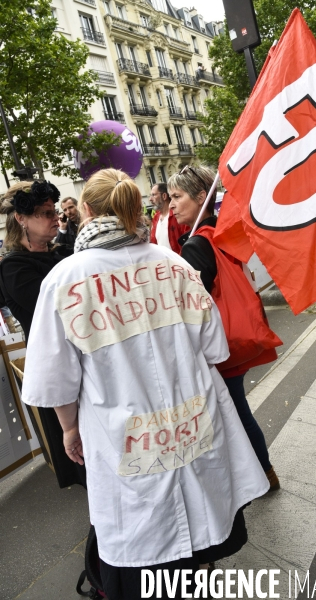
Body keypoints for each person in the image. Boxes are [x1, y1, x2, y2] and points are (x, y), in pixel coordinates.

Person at [22, 168, 269, 600]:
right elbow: (214, 347)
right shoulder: (173, 264)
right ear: (136, 209)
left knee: (146, 547)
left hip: (124, 436)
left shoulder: (65, 280)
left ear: (85, 210)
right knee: (197, 529)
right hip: (191, 421)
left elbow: (56, 379)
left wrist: (69, 428)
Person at [168, 165, 281, 490]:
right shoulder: (220, 232)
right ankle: (262, 473)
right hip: (236, 335)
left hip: (218, 345)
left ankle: (261, 475)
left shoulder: (195, 245)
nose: (172, 205)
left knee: (234, 413)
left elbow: (193, 306)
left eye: (177, 197)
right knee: (236, 409)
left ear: (201, 197)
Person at [0, 179, 86, 489]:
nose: (55, 218)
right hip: (55, 365)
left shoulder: (61, 253)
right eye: (45, 213)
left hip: (84, 358)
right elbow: (57, 311)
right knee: (82, 455)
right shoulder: (13, 267)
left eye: (54, 211)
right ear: (21, 219)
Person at [149, 182, 188, 253]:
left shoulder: (177, 215)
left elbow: (186, 242)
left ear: (164, 196)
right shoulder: (155, 217)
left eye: (153, 195)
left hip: (179, 262)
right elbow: (154, 243)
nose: (150, 199)